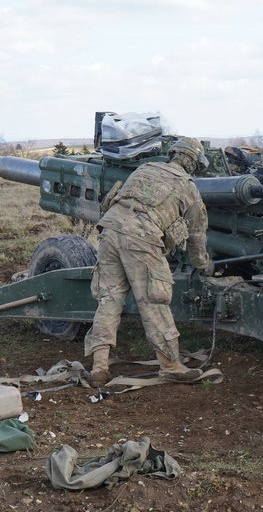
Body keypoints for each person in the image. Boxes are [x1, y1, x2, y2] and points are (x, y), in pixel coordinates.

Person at [85, 137, 213, 387]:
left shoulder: (145, 169)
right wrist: (203, 265)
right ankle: (170, 366)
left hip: (110, 231)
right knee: (154, 300)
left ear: (173, 154)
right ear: (194, 164)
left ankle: (99, 367)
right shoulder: (189, 188)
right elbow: (197, 237)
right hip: (141, 238)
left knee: (109, 299)